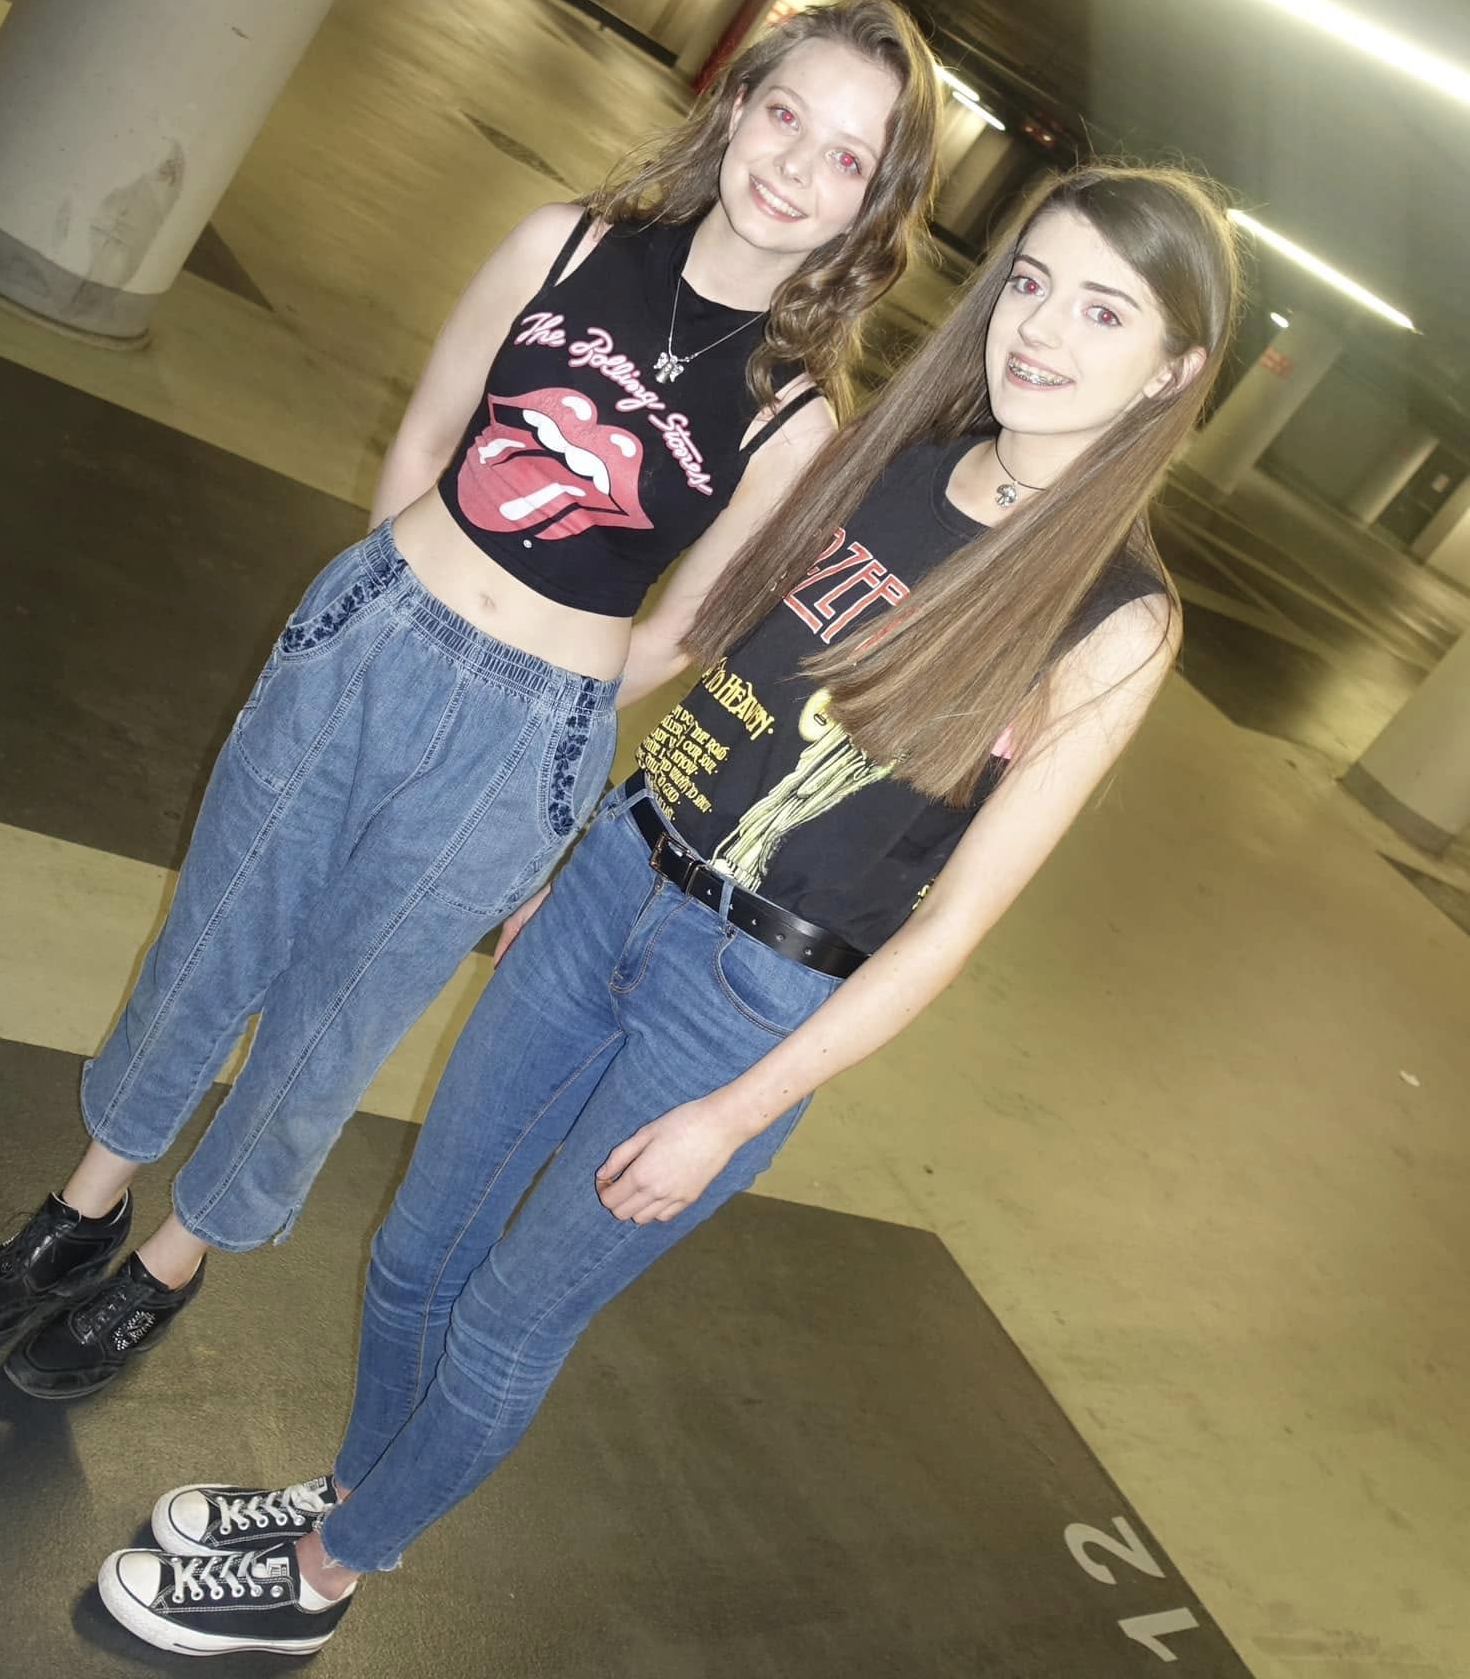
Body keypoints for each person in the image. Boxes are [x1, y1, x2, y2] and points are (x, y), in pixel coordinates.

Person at [89, 161, 1242, 1657]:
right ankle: (356, 1490)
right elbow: (727, 673)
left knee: (508, 1320)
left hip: (745, 1006)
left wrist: (735, 1114)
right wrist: (574, 844)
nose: (1041, 331)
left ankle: (322, 1577)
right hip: (615, 880)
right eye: (1030, 283)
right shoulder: (901, 458)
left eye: (1104, 312)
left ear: (1174, 371)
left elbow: (950, 927)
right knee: (416, 1250)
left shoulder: (1115, 619)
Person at [0, 0, 942, 1399]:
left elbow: (694, 625)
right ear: (736, 107)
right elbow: (428, 435)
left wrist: (554, 705)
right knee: (216, 933)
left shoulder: (794, 414)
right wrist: (398, 608)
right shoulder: (564, 244)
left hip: (525, 739)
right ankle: (83, 1205)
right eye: (787, 114)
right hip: (371, 641)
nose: (794, 165)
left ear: (871, 204)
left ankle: (172, 1259)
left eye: (845, 156)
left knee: (341, 1010)